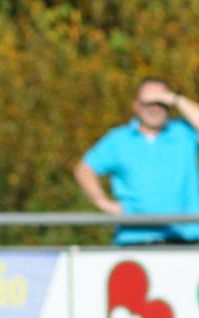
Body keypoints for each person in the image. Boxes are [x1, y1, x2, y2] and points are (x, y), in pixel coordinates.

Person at [74, 77, 199, 245]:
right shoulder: (118, 140)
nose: (155, 108)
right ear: (136, 106)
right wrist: (103, 203)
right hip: (134, 239)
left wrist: (177, 99)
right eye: (148, 102)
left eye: (160, 102)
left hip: (187, 237)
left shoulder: (184, 132)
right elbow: (85, 169)